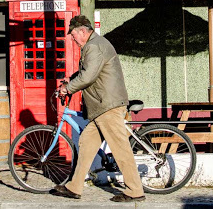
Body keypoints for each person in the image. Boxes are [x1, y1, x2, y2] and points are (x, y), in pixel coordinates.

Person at [50, 15, 145, 202]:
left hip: (107, 106)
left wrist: (67, 88)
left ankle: (135, 190)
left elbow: (88, 77)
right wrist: (72, 78)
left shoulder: (94, 46)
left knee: (120, 148)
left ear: (83, 32)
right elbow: (88, 71)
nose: (72, 38)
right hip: (101, 107)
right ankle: (74, 187)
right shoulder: (95, 45)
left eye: (74, 34)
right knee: (86, 142)